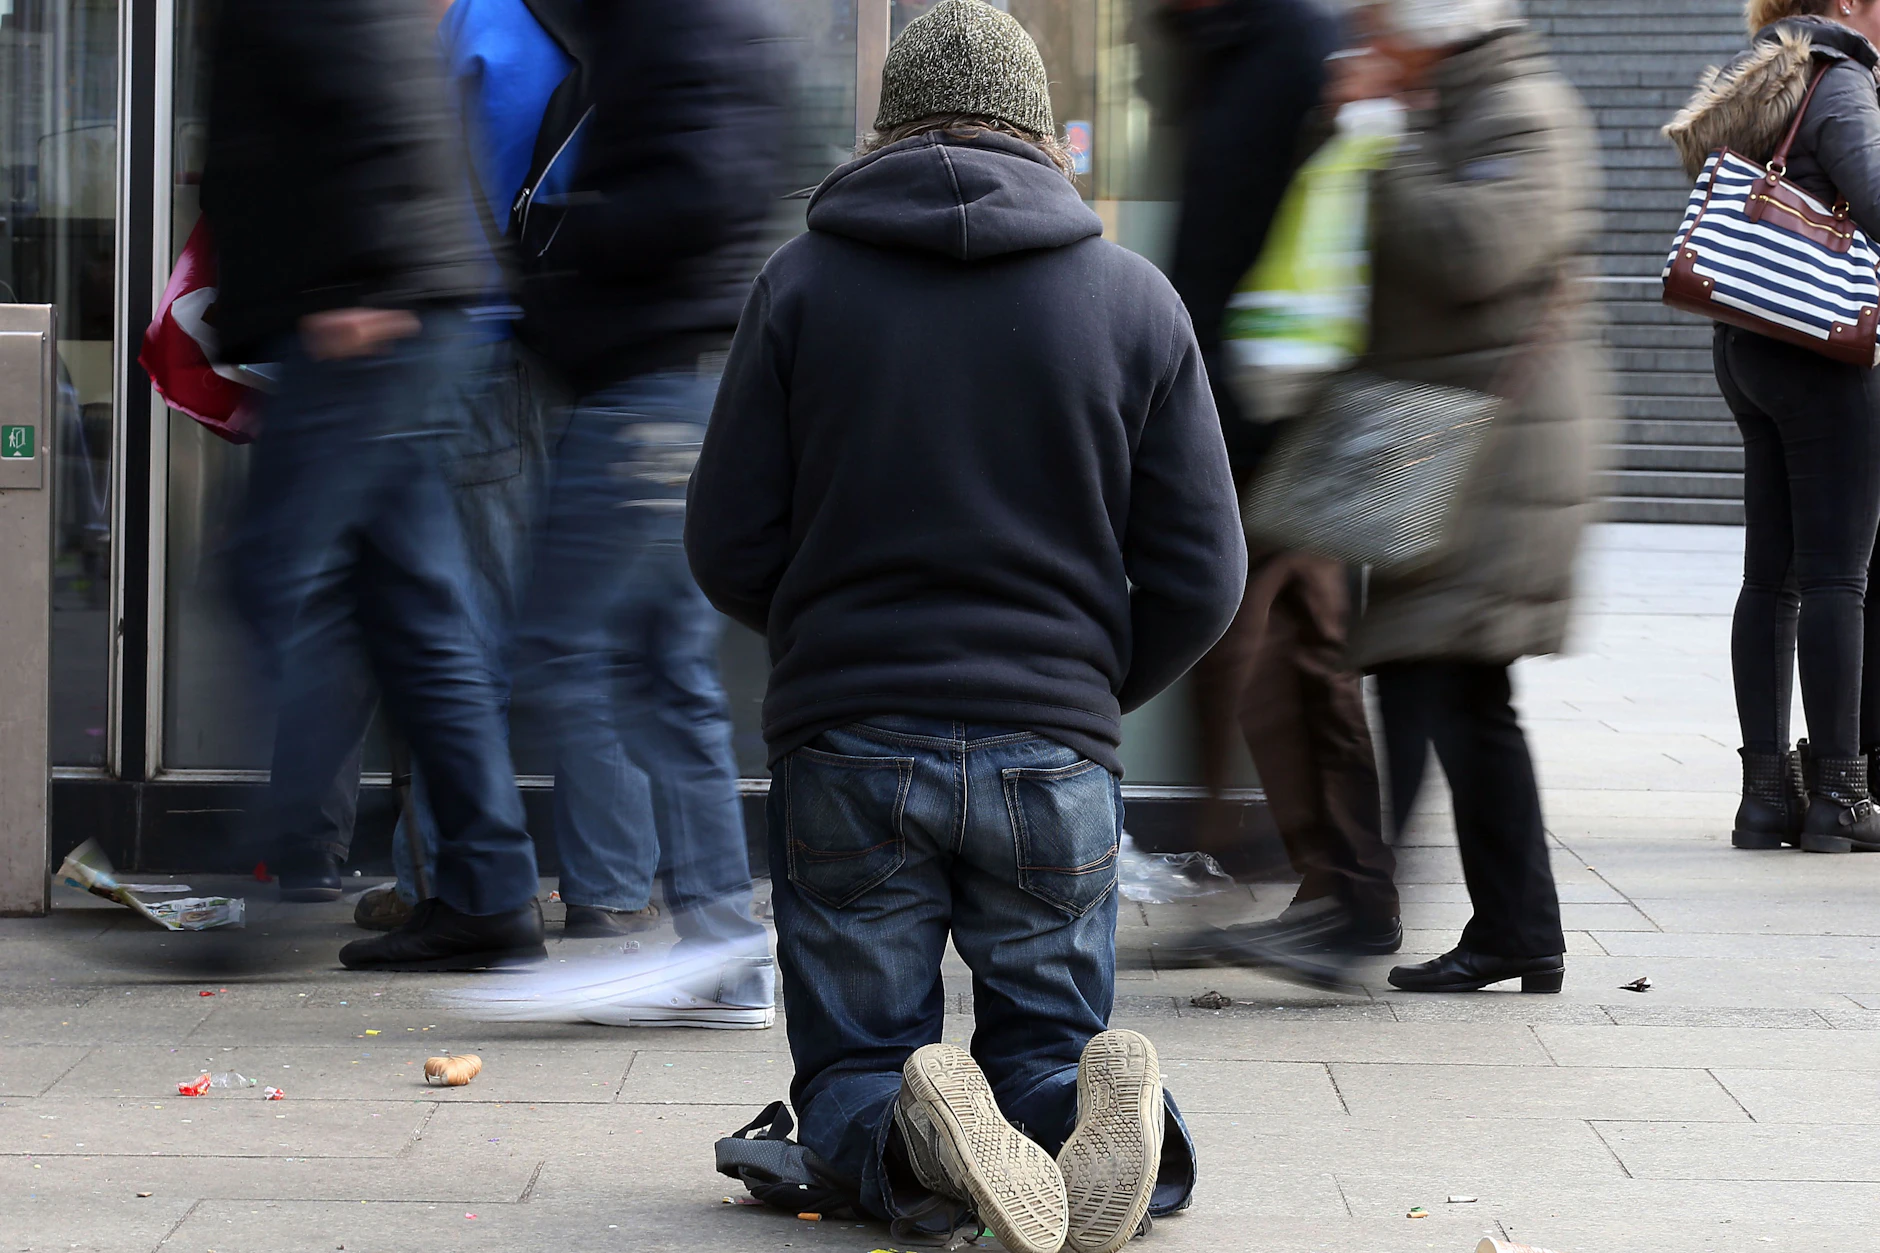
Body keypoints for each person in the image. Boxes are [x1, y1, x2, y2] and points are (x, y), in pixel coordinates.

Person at [687, 2, 1245, 1247]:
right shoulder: (1132, 298)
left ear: (887, 127)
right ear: (1040, 132)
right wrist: (1086, 686)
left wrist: (829, 645)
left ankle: (910, 1125)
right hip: (1051, 746)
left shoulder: (800, 283)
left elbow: (725, 542)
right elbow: (1205, 572)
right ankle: (1098, 1125)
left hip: (847, 740)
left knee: (855, 1060)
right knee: (1050, 1044)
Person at [203, 0, 545, 970]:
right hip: (392, 297)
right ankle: (488, 891)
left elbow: (367, 80)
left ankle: (271, 870)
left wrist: (362, 281)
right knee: (414, 610)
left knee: (273, 576)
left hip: (364, 310)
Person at [507, 0, 788, 1019]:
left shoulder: (679, 21)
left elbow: (696, 190)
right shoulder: (699, 21)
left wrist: (556, 240)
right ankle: (723, 949)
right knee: (664, 669)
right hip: (671, 380)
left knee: (560, 644)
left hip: (646, 386)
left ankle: (703, 942)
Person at [1336, 0, 1605, 993]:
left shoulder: (1517, 107)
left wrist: (1377, 135)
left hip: (1498, 462)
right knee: (1448, 687)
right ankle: (1506, 927)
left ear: (1426, 28)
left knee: (1438, 682)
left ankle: (1362, 908)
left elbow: (1469, 250)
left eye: (1376, 27)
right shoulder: (1455, 103)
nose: (1361, 48)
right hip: (1454, 451)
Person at [1159, 0, 1402, 973]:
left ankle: (1339, 885)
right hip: (1238, 403)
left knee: (1288, 649)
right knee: (1278, 646)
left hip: (1285, 404)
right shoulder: (1224, 43)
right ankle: (1328, 881)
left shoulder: (1294, 41)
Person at [1665, 0, 1880, 855]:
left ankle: (1764, 797)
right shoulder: (1839, 78)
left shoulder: (1762, 78)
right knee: (1838, 579)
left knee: (1772, 578)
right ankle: (1838, 795)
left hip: (1747, 344)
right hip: (1823, 347)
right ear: (1848, 3)